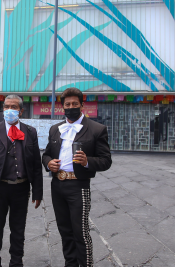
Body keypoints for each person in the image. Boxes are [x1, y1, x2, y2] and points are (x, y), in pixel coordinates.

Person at [42, 88, 112, 267]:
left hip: (79, 186)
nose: (71, 107)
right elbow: (46, 154)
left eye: (75, 104)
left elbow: (106, 161)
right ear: (62, 106)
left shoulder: (97, 129)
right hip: (57, 185)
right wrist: (49, 163)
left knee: (80, 232)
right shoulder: (55, 129)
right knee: (64, 231)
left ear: (82, 104)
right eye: (67, 104)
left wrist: (88, 161)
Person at [0, 95, 43, 267]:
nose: (9, 110)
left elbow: (36, 164)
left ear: (21, 110)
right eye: (6, 107)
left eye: (13, 107)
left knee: (18, 230)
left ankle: (16, 263)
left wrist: (37, 192)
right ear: (2, 109)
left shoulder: (30, 132)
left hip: (21, 189)